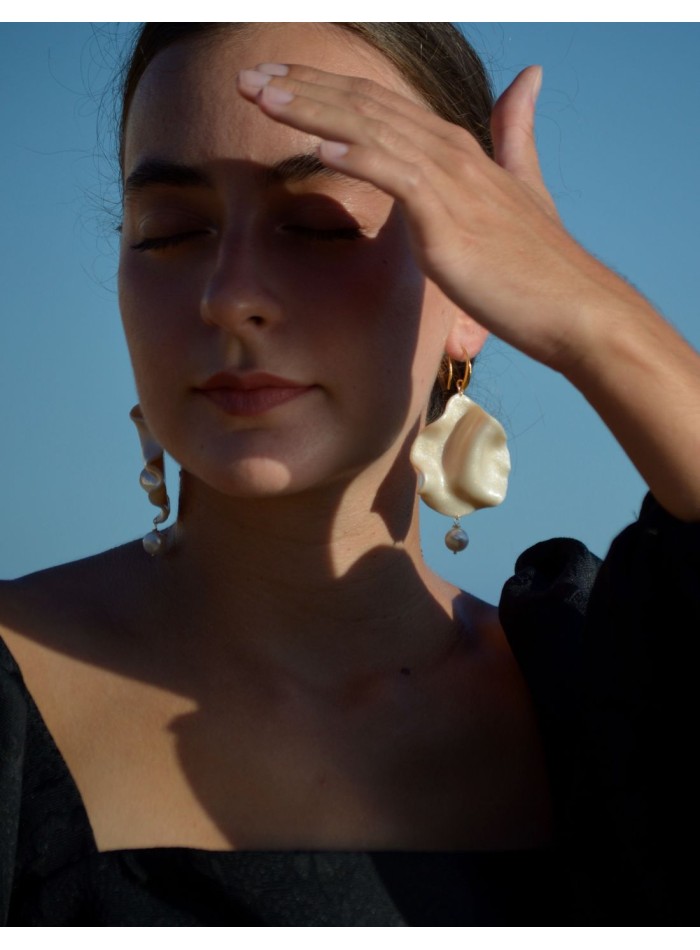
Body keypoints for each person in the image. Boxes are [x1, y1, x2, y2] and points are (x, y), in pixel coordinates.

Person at [0, 21, 698, 926]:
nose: (228, 293)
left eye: (316, 226)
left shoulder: (597, 693)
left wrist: (596, 320)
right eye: (172, 232)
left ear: (476, 287)